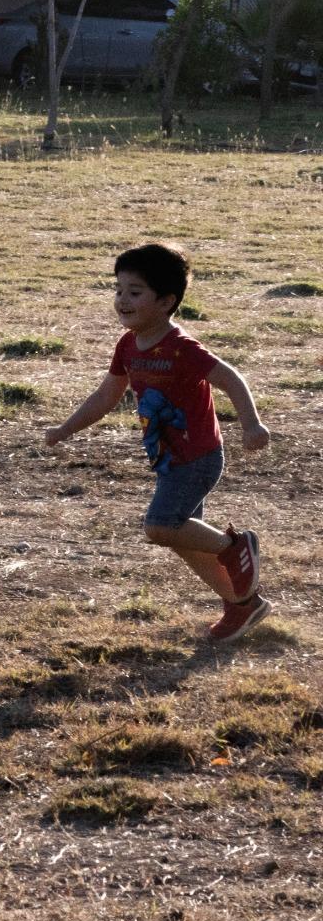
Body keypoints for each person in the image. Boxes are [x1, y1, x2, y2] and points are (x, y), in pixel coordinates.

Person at [45, 242, 271, 641]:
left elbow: (231, 378)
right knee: (185, 540)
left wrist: (250, 424)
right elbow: (105, 396)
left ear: (166, 301)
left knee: (160, 526)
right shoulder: (129, 345)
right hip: (170, 459)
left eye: (135, 292)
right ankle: (243, 605)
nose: (122, 300)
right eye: (118, 290)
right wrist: (66, 429)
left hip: (198, 457)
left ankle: (235, 546)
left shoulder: (182, 347)